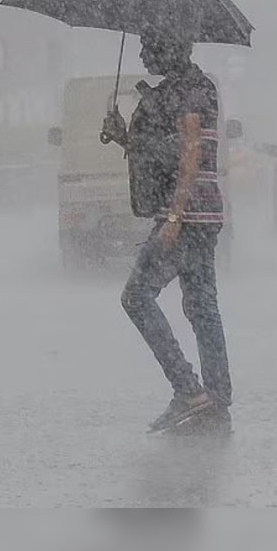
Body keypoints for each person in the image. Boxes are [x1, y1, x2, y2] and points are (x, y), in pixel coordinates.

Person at [102, 28, 233, 434]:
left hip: (188, 214)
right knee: (200, 304)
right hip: (204, 214)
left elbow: (191, 149)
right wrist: (125, 135)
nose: (142, 52)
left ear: (166, 46)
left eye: (148, 44)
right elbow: (167, 151)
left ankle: (188, 389)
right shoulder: (189, 88)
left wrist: (175, 217)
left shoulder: (188, 90)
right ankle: (216, 396)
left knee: (137, 297)